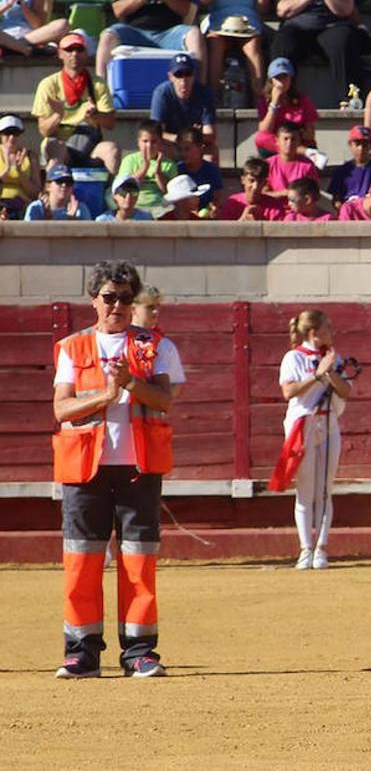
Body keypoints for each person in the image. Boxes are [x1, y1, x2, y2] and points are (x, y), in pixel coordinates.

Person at [52, 260, 174, 679]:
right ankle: (81, 651)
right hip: (85, 468)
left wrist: (129, 384)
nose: (117, 305)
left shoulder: (156, 345)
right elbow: (61, 408)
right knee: (81, 562)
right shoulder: (73, 347)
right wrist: (106, 395)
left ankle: (139, 651)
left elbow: (164, 399)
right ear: (94, 301)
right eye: (109, 297)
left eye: (125, 298)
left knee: (139, 562)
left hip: (138, 467)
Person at [272, 309, 352, 570]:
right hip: (304, 425)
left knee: (325, 489)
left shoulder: (332, 358)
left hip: (328, 423)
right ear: (314, 332)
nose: (332, 333)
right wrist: (318, 374)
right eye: (328, 328)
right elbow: (289, 391)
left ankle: (321, 549)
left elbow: (346, 391)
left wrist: (330, 374)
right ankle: (306, 548)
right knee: (306, 490)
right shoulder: (293, 357)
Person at [274, 0, 371, 106]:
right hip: (299, 28)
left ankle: (349, 99)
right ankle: (283, 98)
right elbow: (283, 9)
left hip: (330, 26)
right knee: (283, 42)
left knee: (344, 40)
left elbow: (345, 9)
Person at [32, 32, 121, 175]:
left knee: (112, 149)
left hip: (91, 144)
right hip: (61, 142)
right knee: (56, 148)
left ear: (86, 54)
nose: (74, 54)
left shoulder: (97, 84)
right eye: (69, 50)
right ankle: (53, 190)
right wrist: (57, 115)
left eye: (79, 50)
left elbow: (110, 124)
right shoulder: (49, 84)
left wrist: (95, 115)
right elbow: (43, 130)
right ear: (60, 53)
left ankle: (109, 193)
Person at [198, 0, 270, 100]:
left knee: (253, 47)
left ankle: (259, 96)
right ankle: (213, 96)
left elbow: (263, 8)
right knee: (215, 43)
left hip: (248, 23)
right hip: (220, 24)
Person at [150, 53, 218, 158]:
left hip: (194, 144)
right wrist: (183, 138)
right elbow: (157, 133)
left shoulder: (205, 93)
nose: (183, 80)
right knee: (160, 150)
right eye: (179, 75)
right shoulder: (162, 93)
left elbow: (211, 135)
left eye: (188, 74)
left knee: (212, 151)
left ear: (194, 75)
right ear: (170, 77)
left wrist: (193, 138)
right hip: (171, 144)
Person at [131, 284, 187, 399]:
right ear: (133, 309)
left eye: (157, 306)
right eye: (150, 307)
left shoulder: (164, 344)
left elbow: (175, 384)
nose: (156, 311)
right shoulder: (118, 339)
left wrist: (155, 400)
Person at [255, 56, 318, 155]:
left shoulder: (303, 100)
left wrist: (293, 135)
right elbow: (264, 130)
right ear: (271, 80)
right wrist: (274, 103)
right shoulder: (264, 101)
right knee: (261, 138)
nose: (281, 82)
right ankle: (303, 151)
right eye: (277, 78)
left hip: (296, 139)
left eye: (284, 77)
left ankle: (297, 150)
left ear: (291, 79)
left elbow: (310, 134)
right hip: (276, 142)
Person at [115, 120, 178, 213]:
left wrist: (158, 173)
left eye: (154, 142)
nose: (149, 146)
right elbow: (126, 189)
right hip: (135, 205)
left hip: (160, 206)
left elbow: (170, 193)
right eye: (145, 141)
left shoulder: (169, 164)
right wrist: (145, 167)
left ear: (161, 143)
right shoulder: (129, 160)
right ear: (138, 142)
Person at [328, 125, 371, 208]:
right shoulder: (342, 171)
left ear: (370, 146)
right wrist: (346, 209)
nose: (361, 148)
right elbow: (336, 200)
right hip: (348, 212)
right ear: (350, 145)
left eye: (365, 145)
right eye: (357, 144)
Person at [218, 157, 285, 220]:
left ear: (265, 183)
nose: (255, 186)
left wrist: (261, 223)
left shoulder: (275, 206)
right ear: (243, 180)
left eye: (260, 182)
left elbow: (279, 231)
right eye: (251, 181)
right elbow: (222, 230)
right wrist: (242, 220)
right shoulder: (232, 203)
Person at [265, 120, 320, 197]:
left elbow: (314, 194)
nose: (289, 143)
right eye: (285, 139)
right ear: (277, 141)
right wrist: (283, 193)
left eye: (293, 139)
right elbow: (262, 194)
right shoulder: (268, 164)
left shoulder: (307, 166)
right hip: (274, 207)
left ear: (299, 141)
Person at [176, 127, 224, 214]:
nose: (183, 153)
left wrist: (213, 208)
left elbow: (217, 198)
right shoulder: (178, 170)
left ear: (200, 148)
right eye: (180, 149)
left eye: (187, 149)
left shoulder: (212, 170)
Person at [0, 114, 39, 218]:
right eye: (7, 133)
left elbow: (35, 193)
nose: (11, 137)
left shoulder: (30, 156)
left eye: (15, 133)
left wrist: (20, 173)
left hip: (22, 205)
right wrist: (7, 169)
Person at [24, 164, 93, 220]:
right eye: (59, 181)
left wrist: (72, 221)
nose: (64, 185)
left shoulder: (80, 209)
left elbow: (88, 236)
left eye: (68, 182)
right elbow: (28, 236)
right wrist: (47, 220)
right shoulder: (37, 208)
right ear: (48, 186)